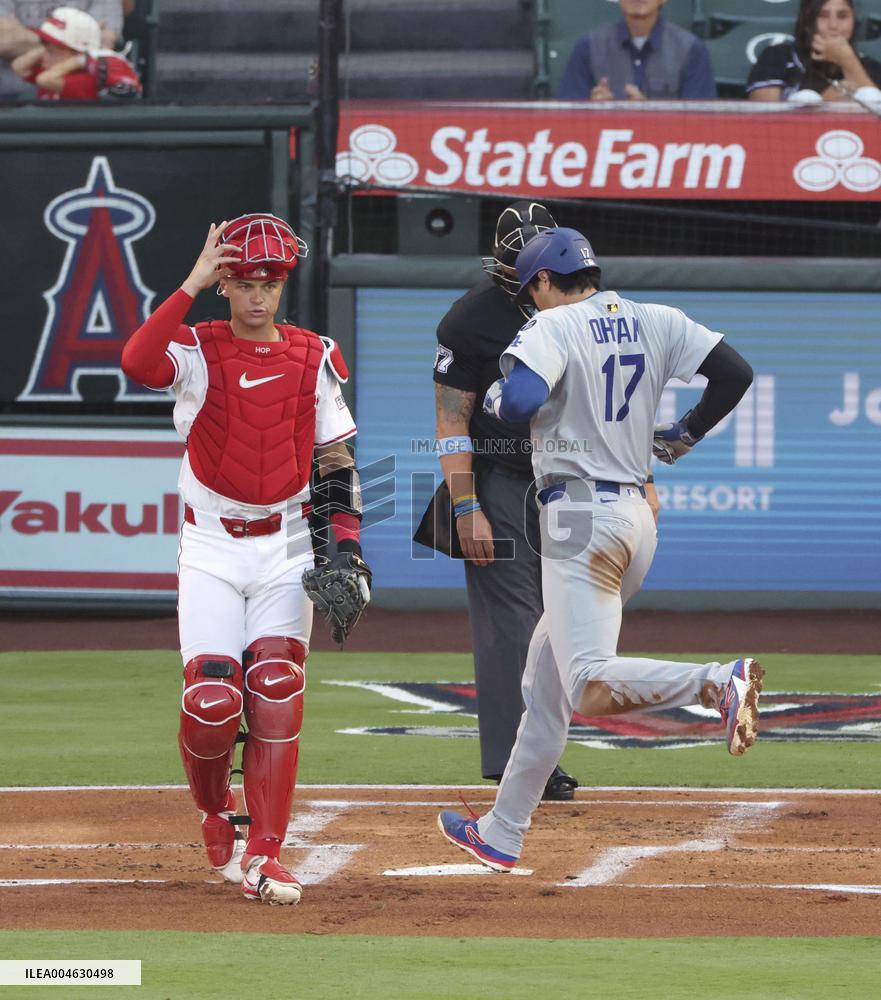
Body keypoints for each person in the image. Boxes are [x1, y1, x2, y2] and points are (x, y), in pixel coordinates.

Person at [437, 227, 761, 872]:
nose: (532, 298)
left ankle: (715, 683)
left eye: (534, 286)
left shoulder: (551, 326)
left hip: (577, 515)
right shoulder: (656, 318)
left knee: (583, 681)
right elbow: (735, 374)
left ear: (545, 281)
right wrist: (685, 435)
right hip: (637, 514)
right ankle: (502, 832)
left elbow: (519, 400)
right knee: (546, 685)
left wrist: (501, 398)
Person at [122, 214, 371, 906]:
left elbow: (335, 460)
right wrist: (190, 284)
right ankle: (212, 808)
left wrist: (345, 546)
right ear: (225, 283)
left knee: (278, 689)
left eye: (270, 283)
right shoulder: (196, 349)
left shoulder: (312, 355)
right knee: (210, 698)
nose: (259, 296)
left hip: (285, 542)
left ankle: (265, 854)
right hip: (209, 546)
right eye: (244, 282)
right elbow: (137, 364)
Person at [430, 202, 580, 801]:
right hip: (503, 477)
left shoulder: (587, 307)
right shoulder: (471, 320)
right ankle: (525, 763)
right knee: (511, 626)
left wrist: (640, 474)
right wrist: (467, 506)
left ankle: (543, 754)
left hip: (574, 477)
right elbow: (450, 419)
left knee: (570, 620)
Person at [557, 0, 716, 101]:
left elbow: (701, 126)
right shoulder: (588, 47)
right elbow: (565, 120)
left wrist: (645, 116)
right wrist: (591, 111)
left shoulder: (692, 50)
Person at [747, 0, 881, 103]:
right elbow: (765, 116)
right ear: (808, 21)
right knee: (806, 98)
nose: (833, 25)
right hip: (794, 136)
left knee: (869, 93)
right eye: (823, 16)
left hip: (857, 137)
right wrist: (827, 100)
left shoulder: (871, 67)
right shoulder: (777, 56)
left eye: (842, 16)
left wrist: (848, 62)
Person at [10, 5, 140, 100]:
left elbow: (44, 80)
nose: (44, 54)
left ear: (77, 54)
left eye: (52, 51)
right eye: (45, 46)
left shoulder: (86, 80)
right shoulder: (55, 70)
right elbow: (19, 67)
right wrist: (45, 49)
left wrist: (82, 59)